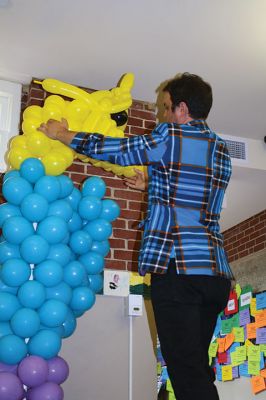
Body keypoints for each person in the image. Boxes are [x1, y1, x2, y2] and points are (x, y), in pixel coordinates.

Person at [38, 72, 234, 400]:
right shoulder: (222, 149)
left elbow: (120, 150)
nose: (161, 114)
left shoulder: (171, 134)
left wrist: (65, 134)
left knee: (187, 374)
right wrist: (152, 185)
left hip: (179, 268)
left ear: (182, 110)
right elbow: (193, 195)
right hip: (214, 273)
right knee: (197, 369)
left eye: (166, 107)